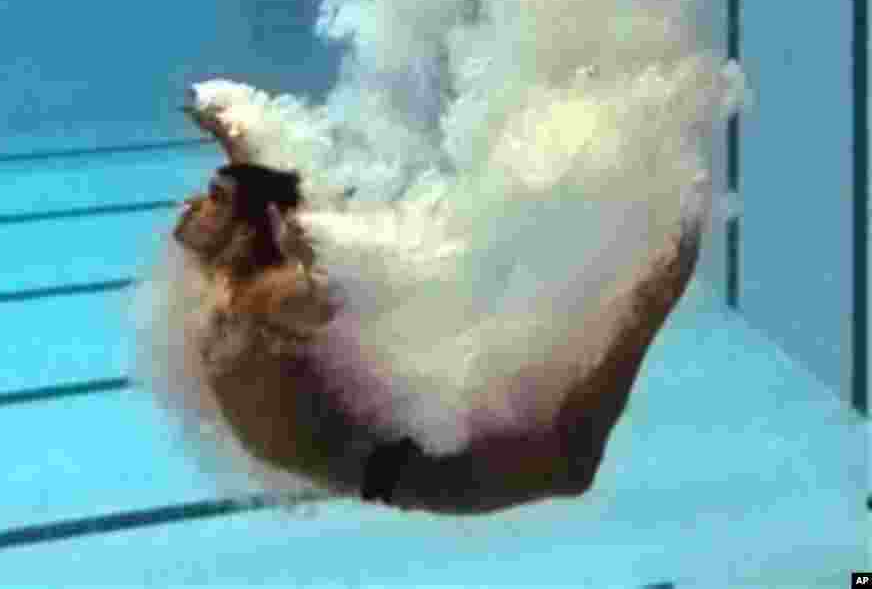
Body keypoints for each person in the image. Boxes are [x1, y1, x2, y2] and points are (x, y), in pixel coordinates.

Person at [168, 93, 700, 513]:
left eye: (214, 199)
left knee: (569, 465)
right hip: (370, 457)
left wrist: (320, 263)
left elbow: (329, 297)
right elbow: (262, 206)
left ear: (243, 231)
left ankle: (662, 283)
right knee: (561, 456)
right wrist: (236, 138)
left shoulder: (261, 298)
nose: (191, 204)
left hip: (399, 468)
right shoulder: (232, 273)